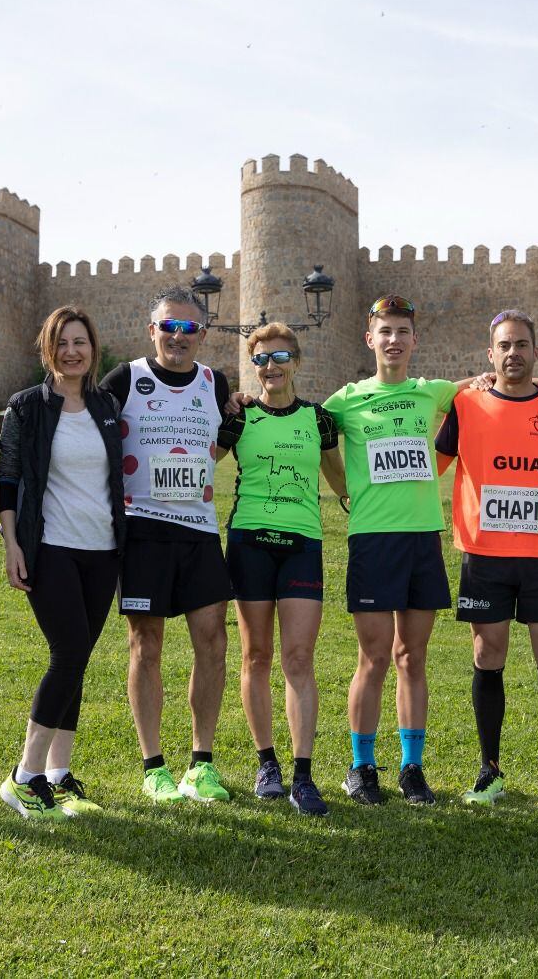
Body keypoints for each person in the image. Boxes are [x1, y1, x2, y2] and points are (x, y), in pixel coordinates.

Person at [436, 309, 538, 812]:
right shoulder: (466, 404)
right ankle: (490, 770)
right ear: (490, 354)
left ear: (535, 352)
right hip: (485, 555)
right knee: (488, 655)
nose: (513, 354)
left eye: (521, 345)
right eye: (504, 346)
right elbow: (429, 462)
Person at [322, 295, 465, 805]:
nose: (394, 340)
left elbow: (485, 386)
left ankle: (412, 767)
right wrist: (343, 489)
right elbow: (308, 430)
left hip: (423, 537)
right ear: (371, 340)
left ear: (414, 341)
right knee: (375, 657)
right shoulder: (347, 400)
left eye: (403, 331)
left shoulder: (433, 394)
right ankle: (361, 767)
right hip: (373, 540)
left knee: (413, 656)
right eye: (385, 332)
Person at [100, 286, 235, 803]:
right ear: (151, 330)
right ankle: (153, 766)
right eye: (168, 327)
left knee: (213, 642)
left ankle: (201, 763)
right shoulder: (126, 378)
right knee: (146, 645)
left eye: (188, 328)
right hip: (144, 532)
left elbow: (214, 449)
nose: (178, 337)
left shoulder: (214, 381)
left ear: (201, 333)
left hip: (199, 530)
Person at [0, 306, 126, 819]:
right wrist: (10, 543)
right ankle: (24, 777)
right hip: (50, 548)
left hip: (103, 551)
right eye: (63, 343)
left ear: (92, 348)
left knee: (79, 659)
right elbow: (8, 480)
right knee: (68, 652)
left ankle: (59, 775)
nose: (73, 352)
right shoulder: (27, 406)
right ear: (48, 348)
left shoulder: (107, 405)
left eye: (81, 342)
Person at [217, 323, 344, 816]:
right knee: (256, 656)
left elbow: (342, 480)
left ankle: (304, 774)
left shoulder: (319, 419)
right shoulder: (242, 417)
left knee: (298, 657)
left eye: (280, 357)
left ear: (297, 362)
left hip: (302, 546)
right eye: (262, 359)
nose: (271, 367)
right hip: (249, 543)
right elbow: (204, 458)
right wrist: (223, 406)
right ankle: (266, 762)